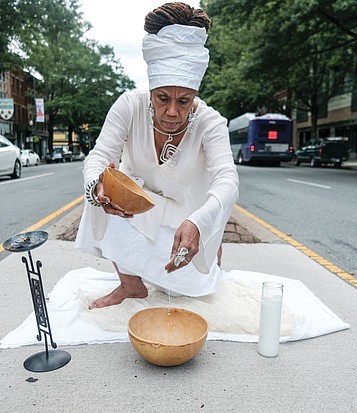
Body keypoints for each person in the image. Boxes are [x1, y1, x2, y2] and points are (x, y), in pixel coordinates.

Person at [75, 2, 239, 309]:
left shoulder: (210, 123)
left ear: (195, 97)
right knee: (96, 196)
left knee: (193, 293)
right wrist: (98, 188)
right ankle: (131, 285)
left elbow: (228, 181)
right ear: (151, 90)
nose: (173, 112)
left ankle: (205, 259)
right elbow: (98, 157)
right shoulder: (129, 105)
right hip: (140, 209)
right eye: (163, 98)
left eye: (184, 101)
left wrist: (202, 224)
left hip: (186, 222)